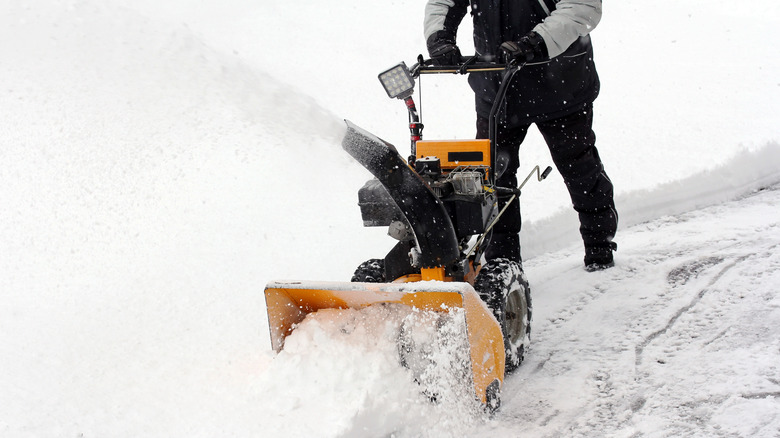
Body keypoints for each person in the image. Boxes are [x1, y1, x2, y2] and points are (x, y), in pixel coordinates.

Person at [424, 0, 618, 271]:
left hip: (560, 83)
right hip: (496, 86)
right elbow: (445, 2)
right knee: (493, 179)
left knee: (579, 168)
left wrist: (535, 42)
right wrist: (439, 37)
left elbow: (581, 6)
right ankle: (503, 264)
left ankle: (599, 246)